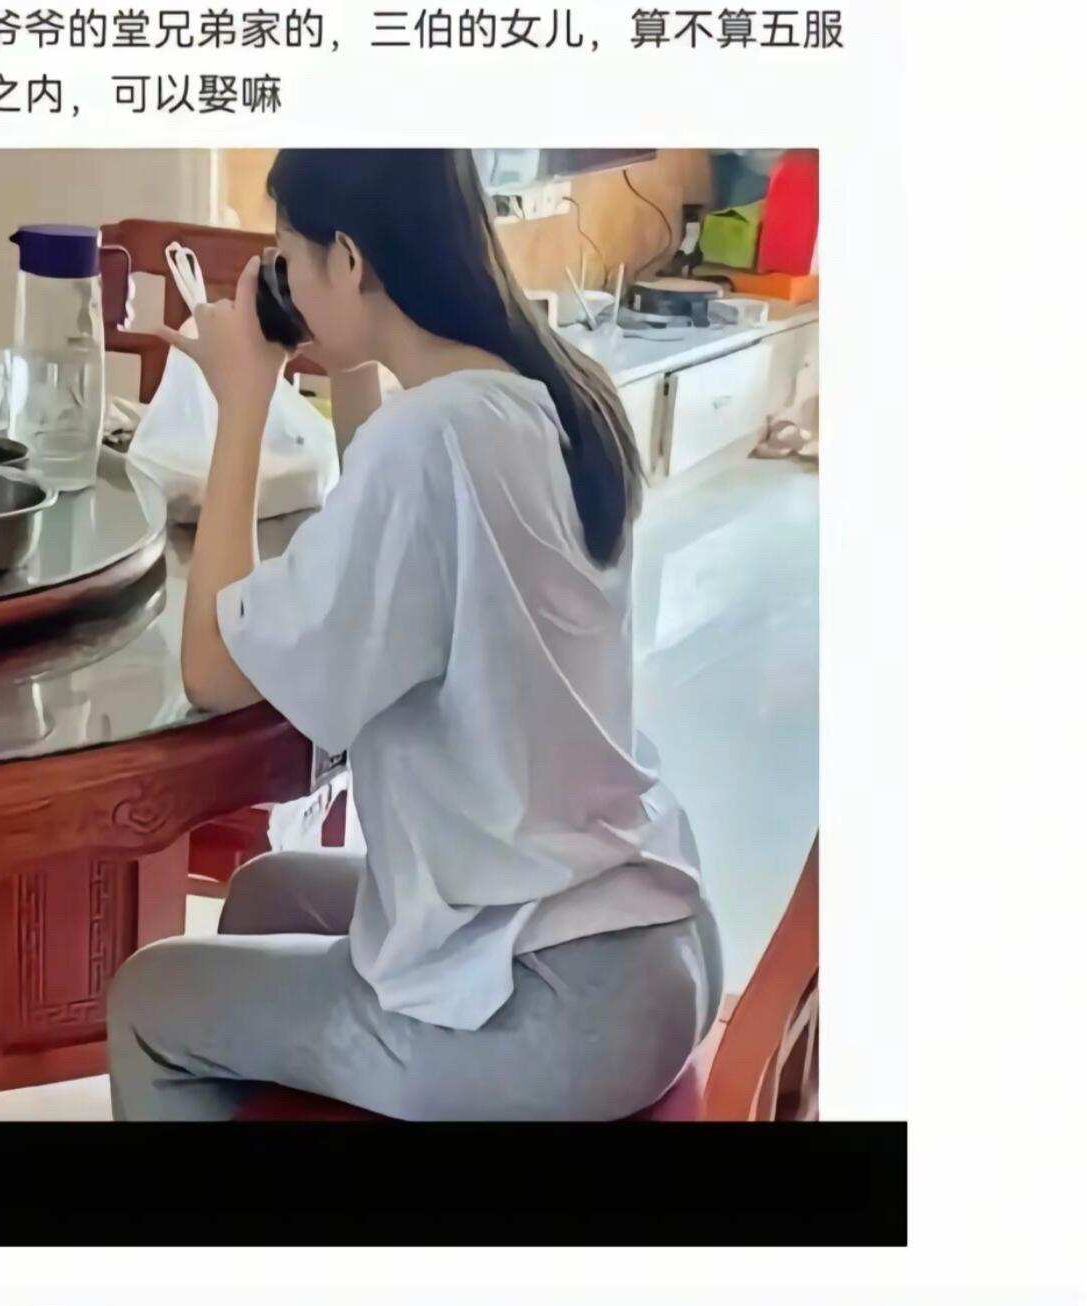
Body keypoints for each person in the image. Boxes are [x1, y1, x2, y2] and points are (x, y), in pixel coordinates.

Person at [107, 148, 723, 1121]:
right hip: (649, 934)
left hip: (558, 1008)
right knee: (266, 894)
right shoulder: (553, 391)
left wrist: (243, 407)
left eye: (290, 259)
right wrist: (346, 362)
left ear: (350, 259)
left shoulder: (429, 440)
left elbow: (213, 671)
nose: (285, 283)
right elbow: (401, 540)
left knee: (150, 1000)